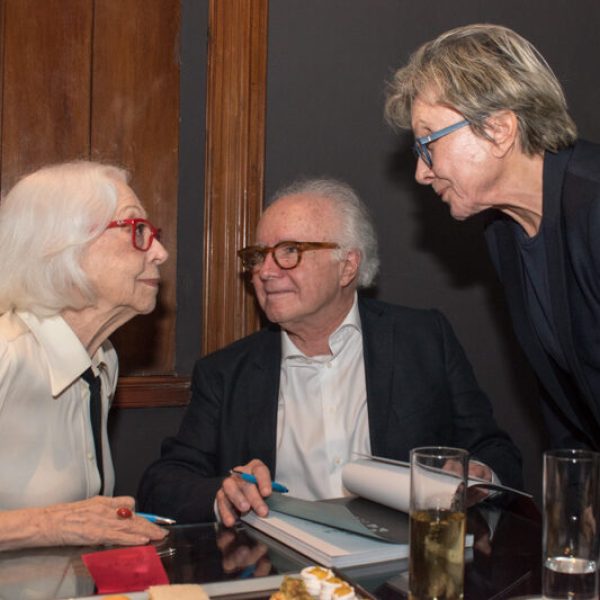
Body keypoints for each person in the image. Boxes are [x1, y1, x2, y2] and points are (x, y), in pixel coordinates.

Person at [138, 177, 522, 526]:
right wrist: (222, 492)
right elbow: (163, 483)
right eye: (258, 256)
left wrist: (478, 475)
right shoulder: (226, 372)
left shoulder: (422, 340)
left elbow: (495, 450)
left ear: (347, 266)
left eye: (289, 251)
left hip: (405, 572)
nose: (265, 272)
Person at [384, 23, 600, 451]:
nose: (421, 173)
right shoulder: (502, 231)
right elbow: (565, 401)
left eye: (428, 143)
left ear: (499, 129)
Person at [0, 161, 169, 550]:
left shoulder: (102, 361)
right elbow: (67, 524)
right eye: (136, 230)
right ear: (62, 246)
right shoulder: (7, 357)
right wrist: (52, 525)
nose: (160, 252)